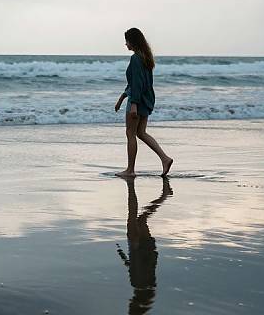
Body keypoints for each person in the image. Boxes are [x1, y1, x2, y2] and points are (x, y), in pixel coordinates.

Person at [114, 28, 173, 177]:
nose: (125, 44)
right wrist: (122, 98)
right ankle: (165, 158)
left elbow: (137, 83)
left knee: (130, 134)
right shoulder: (146, 57)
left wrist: (133, 103)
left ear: (133, 41)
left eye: (127, 40)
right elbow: (138, 82)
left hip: (137, 101)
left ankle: (130, 170)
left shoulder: (135, 58)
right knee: (141, 133)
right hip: (146, 100)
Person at [116, 177, 173, 315]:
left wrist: (124, 257)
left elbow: (135, 266)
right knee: (137, 217)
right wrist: (134, 247)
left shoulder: (146, 286)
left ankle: (164, 195)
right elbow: (141, 265)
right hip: (139, 247)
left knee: (141, 219)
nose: (129, 303)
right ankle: (163, 195)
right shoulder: (140, 284)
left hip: (144, 248)